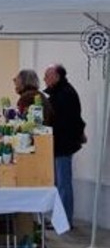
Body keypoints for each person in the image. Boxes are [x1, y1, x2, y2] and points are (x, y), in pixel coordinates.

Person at [43, 64, 86, 226]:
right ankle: (58, 218)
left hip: (63, 144)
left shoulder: (65, 94)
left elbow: (66, 120)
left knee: (63, 183)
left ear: (56, 76)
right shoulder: (59, 92)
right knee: (57, 183)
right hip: (58, 143)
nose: (44, 79)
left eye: (47, 75)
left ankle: (65, 220)